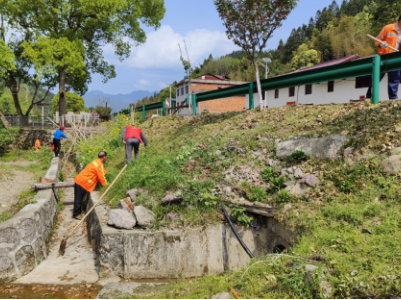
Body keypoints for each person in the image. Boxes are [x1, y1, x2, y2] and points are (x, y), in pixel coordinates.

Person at [366, 15, 401, 100]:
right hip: (383, 58)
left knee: (395, 79)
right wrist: (382, 44)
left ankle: (393, 98)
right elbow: (377, 40)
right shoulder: (388, 28)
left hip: (395, 58)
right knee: (376, 78)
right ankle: (369, 97)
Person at [73, 151, 108, 220]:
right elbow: (101, 177)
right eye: (106, 157)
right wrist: (105, 185)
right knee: (78, 198)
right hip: (82, 181)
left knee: (79, 197)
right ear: (104, 157)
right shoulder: (99, 164)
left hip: (81, 180)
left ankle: (78, 212)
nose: (106, 159)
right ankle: (76, 214)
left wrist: (107, 173)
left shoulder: (96, 162)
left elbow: (101, 171)